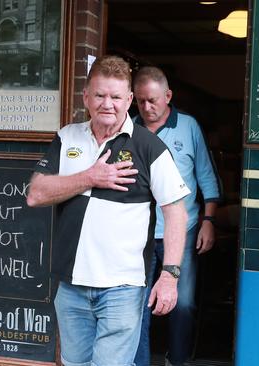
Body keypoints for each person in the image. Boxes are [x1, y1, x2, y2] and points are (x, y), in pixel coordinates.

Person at [27, 55, 190, 366]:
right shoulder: (67, 137)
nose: (107, 104)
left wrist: (169, 276)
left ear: (129, 100)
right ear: (85, 96)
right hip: (71, 286)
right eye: (100, 95)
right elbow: (36, 194)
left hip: (122, 288)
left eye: (116, 97)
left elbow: (176, 212)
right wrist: (90, 177)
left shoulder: (149, 147)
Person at [133, 66, 221, 366]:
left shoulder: (188, 126)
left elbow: (207, 178)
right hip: (138, 234)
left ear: (168, 95)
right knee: (137, 306)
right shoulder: (129, 128)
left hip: (183, 230)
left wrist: (209, 222)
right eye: (141, 101)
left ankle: (177, 360)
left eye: (153, 100)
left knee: (182, 304)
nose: (147, 107)